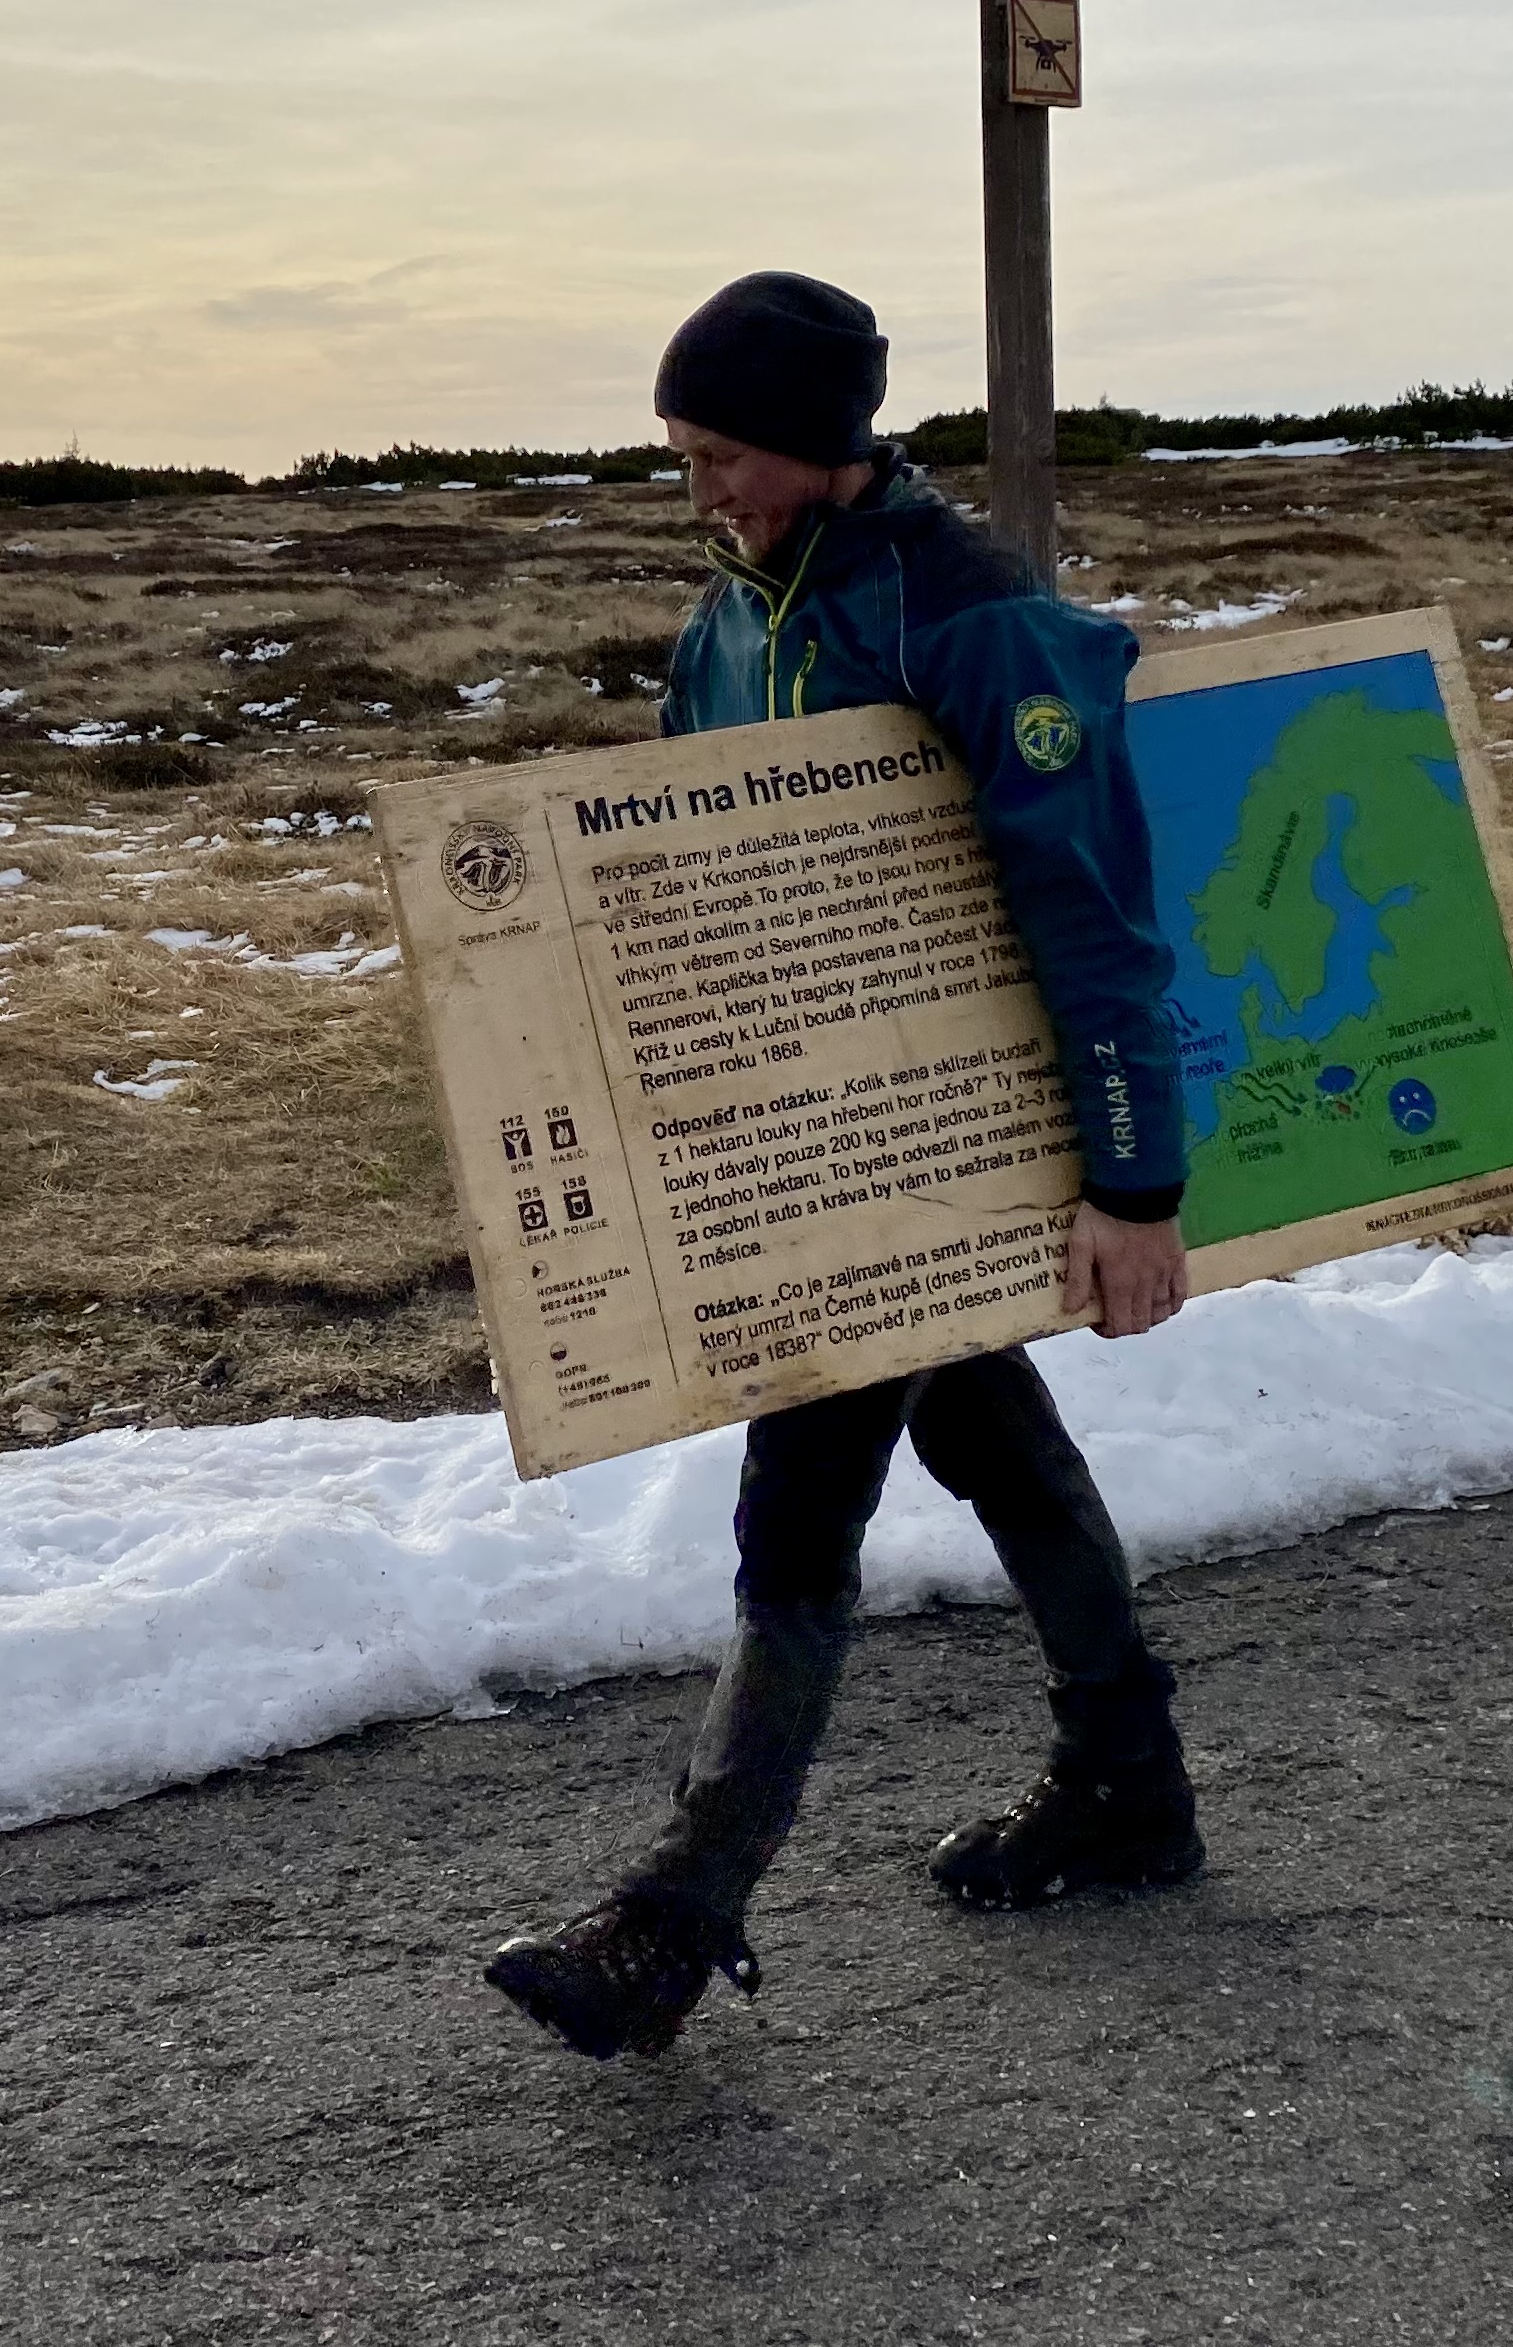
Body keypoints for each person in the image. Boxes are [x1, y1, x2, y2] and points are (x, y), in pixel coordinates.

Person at [483, 269, 1201, 2064]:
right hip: (814, 1145)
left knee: (802, 1486)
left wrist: (1136, 1186)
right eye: (683, 457)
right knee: (981, 1428)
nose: (703, 489)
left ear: (820, 441)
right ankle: (1130, 1780)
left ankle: (680, 1911)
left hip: (969, 1132)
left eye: (724, 454)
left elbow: (1093, 915)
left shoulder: (969, 616)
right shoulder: (728, 621)